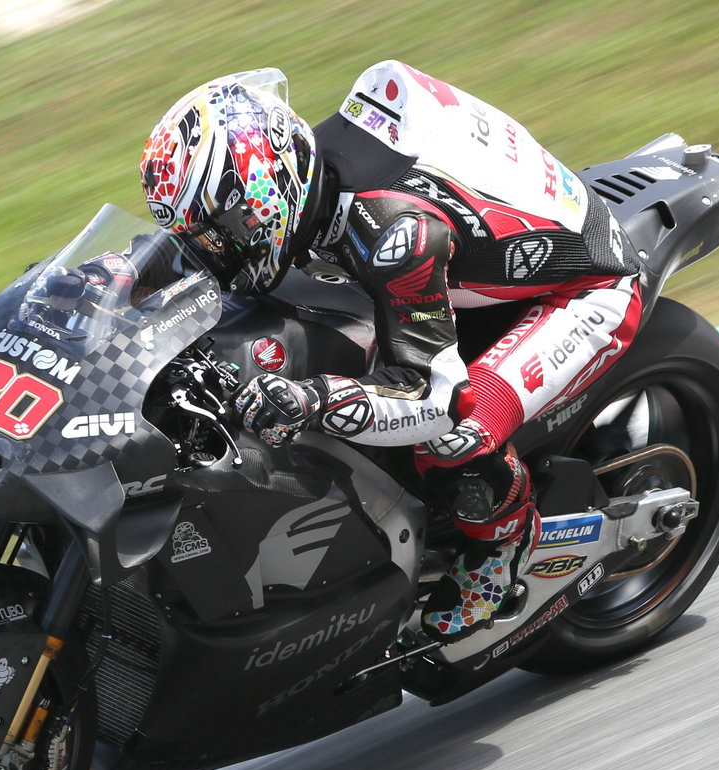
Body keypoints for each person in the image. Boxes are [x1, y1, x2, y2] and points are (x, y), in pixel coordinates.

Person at [138, 63, 642, 642]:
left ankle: (504, 546)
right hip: (463, 258)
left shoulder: (394, 233)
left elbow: (434, 400)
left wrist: (312, 400)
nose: (214, 250)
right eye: (198, 235)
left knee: (454, 433)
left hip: (587, 292)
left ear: (265, 194)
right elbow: (185, 257)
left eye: (220, 231)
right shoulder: (300, 181)